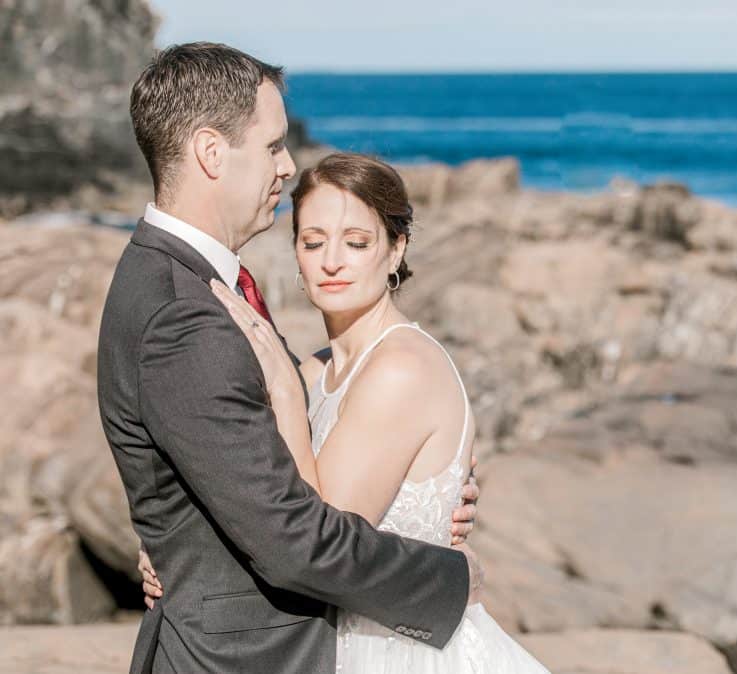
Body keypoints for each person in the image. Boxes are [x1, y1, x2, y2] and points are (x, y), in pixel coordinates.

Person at [97, 42, 481, 674]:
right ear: (211, 152)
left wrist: (431, 492)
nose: (287, 164)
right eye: (273, 145)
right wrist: (449, 577)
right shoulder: (183, 313)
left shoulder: (183, 282)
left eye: (357, 241)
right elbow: (290, 542)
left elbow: (234, 470)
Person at [144, 151, 549, 672]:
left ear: (396, 249)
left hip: (397, 651)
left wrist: (286, 398)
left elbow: (319, 539)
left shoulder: (402, 369)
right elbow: (239, 488)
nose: (331, 261)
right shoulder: (313, 372)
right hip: (329, 645)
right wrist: (172, 549)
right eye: (313, 242)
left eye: (356, 243)